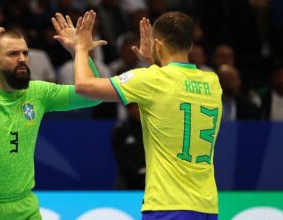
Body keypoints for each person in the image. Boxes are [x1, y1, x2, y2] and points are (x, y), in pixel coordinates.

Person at [0, 3, 102, 219]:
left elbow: (94, 95)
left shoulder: (39, 92)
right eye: (14, 54)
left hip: (24, 207)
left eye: (25, 52)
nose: (23, 58)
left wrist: (79, 51)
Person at [56, 10, 222, 219]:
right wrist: (154, 59)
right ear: (190, 45)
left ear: (158, 44)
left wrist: (80, 48)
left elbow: (84, 85)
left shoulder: (150, 80)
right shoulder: (212, 82)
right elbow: (173, 88)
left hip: (168, 206)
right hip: (206, 206)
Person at [112, 103, 145, 190]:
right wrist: (139, 172)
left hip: (150, 179)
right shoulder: (121, 129)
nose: (132, 110)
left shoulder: (150, 127)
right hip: (128, 182)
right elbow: (121, 157)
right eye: (129, 107)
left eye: (135, 106)